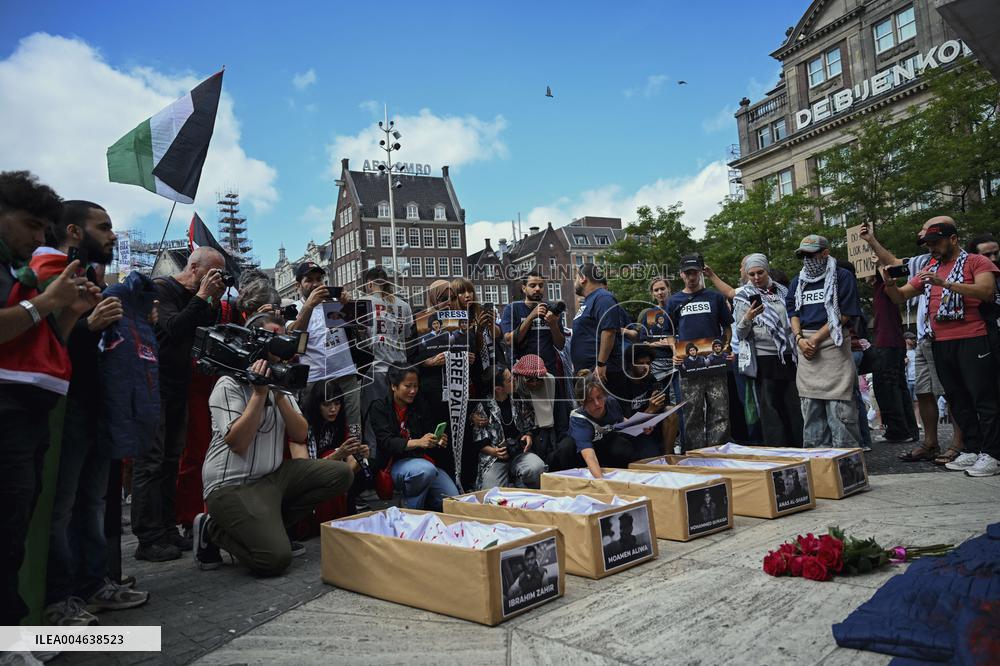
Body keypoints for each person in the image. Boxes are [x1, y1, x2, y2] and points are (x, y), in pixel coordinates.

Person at [39, 201, 149, 625]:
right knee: (63, 506)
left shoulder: (85, 279)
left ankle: (93, 585)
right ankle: (58, 598)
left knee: (92, 502)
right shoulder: (50, 272)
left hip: (96, 404)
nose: (112, 235)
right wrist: (89, 326)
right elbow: (44, 338)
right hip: (66, 406)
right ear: (72, 231)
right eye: (102, 227)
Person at [0, 171, 99, 626]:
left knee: (19, 523)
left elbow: (37, 342)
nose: (41, 237)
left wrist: (71, 315)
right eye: (32, 225)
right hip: (9, 409)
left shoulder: (15, 269)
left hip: (32, 410)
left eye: (46, 228)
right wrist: (44, 303)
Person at [195, 314, 355, 574]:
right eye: (272, 337)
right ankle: (214, 529)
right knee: (274, 560)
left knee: (340, 474)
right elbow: (238, 443)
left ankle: (270, 528)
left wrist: (278, 393)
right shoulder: (228, 383)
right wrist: (259, 394)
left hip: (271, 477)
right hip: (232, 485)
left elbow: (301, 433)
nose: (280, 347)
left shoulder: (282, 379)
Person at [883, 221, 1000, 477]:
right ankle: (972, 447)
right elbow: (901, 296)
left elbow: (986, 291)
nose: (932, 248)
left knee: (983, 397)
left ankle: (992, 454)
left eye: (936, 243)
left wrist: (945, 283)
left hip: (973, 337)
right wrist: (890, 285)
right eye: (928, 244)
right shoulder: (930, 267)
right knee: (957, 398)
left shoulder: (976, 262)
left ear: (954, 239)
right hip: (941, 340)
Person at [132, 246, 225, 562]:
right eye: (213, 272)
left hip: (179, 386)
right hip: (154, 386)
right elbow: (171, 329)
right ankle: (148, 537)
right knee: (152, 461)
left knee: (171, 460)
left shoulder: (194, 297)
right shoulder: (161, 289)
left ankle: (167, 528)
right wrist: (201, 296)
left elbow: (204, 327)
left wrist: (210, 300)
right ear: (196, 267)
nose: (216, 279)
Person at [860, 219, 963, 464]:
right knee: (924, 391)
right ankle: (930, 443)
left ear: (951, 236)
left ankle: (959, 444)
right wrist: (872, 241)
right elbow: (895, 265)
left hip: (950, 336)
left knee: (951, 392)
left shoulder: (965, 262)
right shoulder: (925, 262)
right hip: (924, 336)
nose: (926, 240)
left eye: (931, 236)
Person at [786, 235, 862, 448]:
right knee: (811, 410)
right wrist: (800, 338)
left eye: (811, 254)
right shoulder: (797, 281)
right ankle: (818, 468)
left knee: (840, 411)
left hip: (833, 344)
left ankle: (847, 466)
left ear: (825, 253)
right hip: (806, 348)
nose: (808, 259)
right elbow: (793, 310)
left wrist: (816, 338)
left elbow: (845, 313)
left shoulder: (842, 276)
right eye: (803, 255)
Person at [732, 253, 803, 447]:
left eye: (760, 273)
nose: (756, 278)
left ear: (767, 270)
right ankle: (777, 448)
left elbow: (795, 315)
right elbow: (740, 333)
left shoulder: (783, 290)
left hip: (788, 355)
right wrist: (747, 318)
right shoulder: (743, 296)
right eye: (751, 274)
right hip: (763, 357)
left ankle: (798, 445)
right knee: (770, 407)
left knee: (792, 404)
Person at [666, 254, 733, 450]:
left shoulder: (715, 297)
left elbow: (727, 327)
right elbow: (669, 332)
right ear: (681, 275)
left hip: (715, 363)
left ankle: (719, 452)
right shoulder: (673, 301)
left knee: (720, 411)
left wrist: (727, 346)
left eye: (694, 272)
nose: (691, 277)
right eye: (687, 273)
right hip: (689, 365)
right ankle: (696, 455)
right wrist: (674, 352)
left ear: (701, 273)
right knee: (691, 412)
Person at [369, 367, 458, 510]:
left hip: (422, 460)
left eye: (415, 386)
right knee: (425, 470)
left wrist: (437, 440)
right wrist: (419, 442)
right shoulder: (379, 407)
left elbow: (429, 431)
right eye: (407, 386)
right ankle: (409, 509)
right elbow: (387, 442)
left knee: (452, 499)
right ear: (393, 386)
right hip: (395, 465)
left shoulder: (419, 404)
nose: (413, 391)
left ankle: (422, 505)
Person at [288, 261, 361, 428]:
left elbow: (360, 328)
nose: (315, 284)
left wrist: (348, 306)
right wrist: (309, 306)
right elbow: (294, 337)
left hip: (345, 374)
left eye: (319, 279)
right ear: (298, 285)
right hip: (314, 377)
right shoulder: (293, 308)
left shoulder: (333, 304)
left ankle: (356, 454)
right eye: (309, 280)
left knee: (353, 424)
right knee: (313, 426)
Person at [290, 380, 369, 519]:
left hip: (332, 477)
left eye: (337, 404)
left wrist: (361, 458)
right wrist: (336, 456)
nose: (333, 409)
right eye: (327, 404)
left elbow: (350, 470)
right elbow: (302, 471)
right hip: (303, 481)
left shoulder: (339, 424)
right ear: (316, 405)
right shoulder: (302, 426)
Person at [564, 373, 659, 477]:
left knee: (627, 446)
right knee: (566, 448)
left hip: (605, 444)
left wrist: (641, 428)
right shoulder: (579, 419)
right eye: (590, 400)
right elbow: (589, 455)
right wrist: (602, 483)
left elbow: (621, 421)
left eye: (599, 397)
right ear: (582, 402)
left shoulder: (610, 402)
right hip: (581, 453)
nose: (597, 404)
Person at [472, 367, 546, 489]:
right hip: (495, 458)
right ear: (498, 388)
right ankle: (514, 483)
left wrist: (528, 436)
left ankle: (519, 480)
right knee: (491, 493)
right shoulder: (483, 407)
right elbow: (479, 441)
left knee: (537, 467)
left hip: (519, 452)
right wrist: (495, 452)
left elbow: (529, 425)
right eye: (510, 380)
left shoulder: (518, 399)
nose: (515, 380)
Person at [869, 271, 919, 444]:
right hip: (893, 343)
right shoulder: (882, 289)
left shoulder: (884, 288)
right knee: (897, 387)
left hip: (887, 344)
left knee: (887, 388)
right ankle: (907, 430)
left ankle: (898, 431)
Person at [571, 263, 629, 385]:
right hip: (588, 372)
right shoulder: (589, 300)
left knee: (608, 404)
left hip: (602, 372)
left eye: (576, 278)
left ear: (583, 278)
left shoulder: (603, 297)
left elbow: (609, 331)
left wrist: (601, 364)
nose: (575, 282)